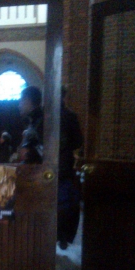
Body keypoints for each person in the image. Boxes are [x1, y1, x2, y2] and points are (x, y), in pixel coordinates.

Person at [57, 87, 84, 249]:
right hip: (64, 165)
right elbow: (78, 141)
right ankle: (63, 235)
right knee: (64, 202)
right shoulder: (70, 116)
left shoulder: (46, 115)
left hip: (51, 164)